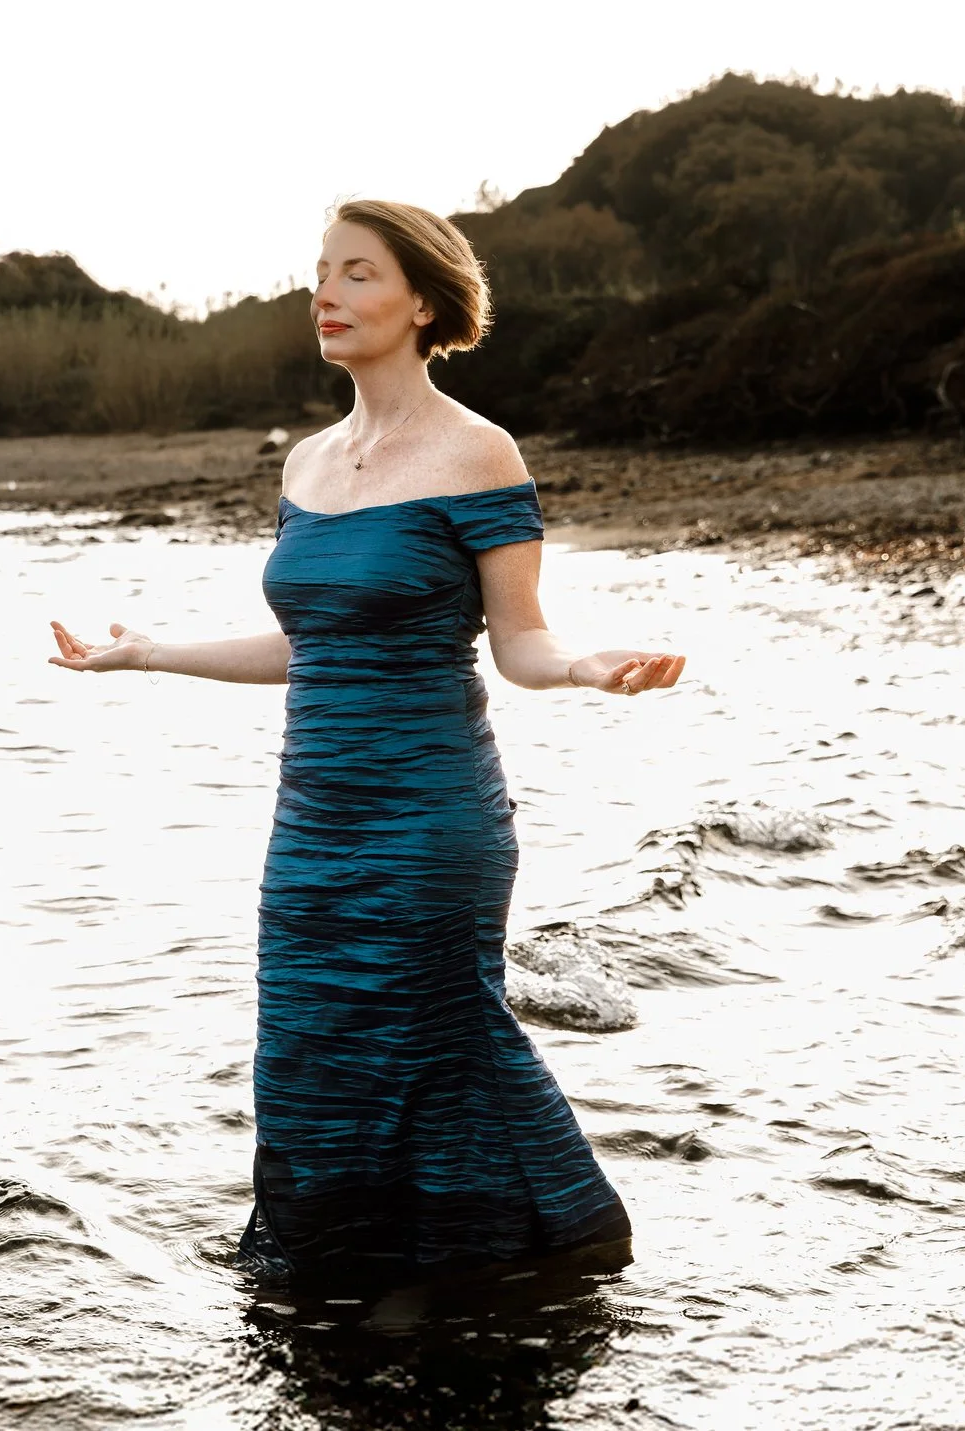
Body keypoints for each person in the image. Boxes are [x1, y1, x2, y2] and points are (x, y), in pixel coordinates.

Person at [47, 199, 686, 1299]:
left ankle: (540, 1254)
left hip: (431, 819)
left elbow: (520, 642)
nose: (326, 294)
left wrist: (587, 667)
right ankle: (346, 1280)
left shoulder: (478, 451)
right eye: (320, 273)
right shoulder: (305, 463)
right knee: (310, 1044)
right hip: (312, 826)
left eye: (357, 273)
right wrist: (146, 654)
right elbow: (313, 645)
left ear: (424, 304)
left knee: (443, 1036)